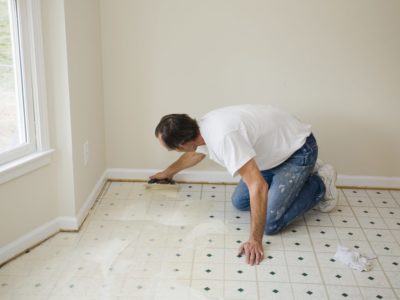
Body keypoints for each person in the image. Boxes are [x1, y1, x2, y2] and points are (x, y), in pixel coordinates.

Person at [151, 104, 338, 266]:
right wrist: (167, 173)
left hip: (297, 151)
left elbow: (258, 186)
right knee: (240, 202)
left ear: (183, 144)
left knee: (270, 224)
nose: (174, 151)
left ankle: (320, 182)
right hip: (270, 156)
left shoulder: (224, 138)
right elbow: (195, 154)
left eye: (172, 149)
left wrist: (255, 240)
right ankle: (294, 180)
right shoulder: (201, 130)